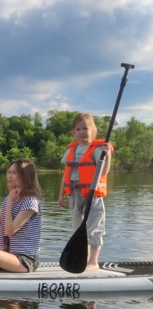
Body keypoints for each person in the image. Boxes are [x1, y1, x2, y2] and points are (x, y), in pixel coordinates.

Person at [58, 113, 113, 270]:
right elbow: (66, 174)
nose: (82, 132)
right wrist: (61, 194)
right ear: (73, 132)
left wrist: (107, 155)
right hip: (74, 195)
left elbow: (104, 172)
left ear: (92, 130)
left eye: (85, 128)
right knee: (77, 230)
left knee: (94, 228)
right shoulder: (70, 150)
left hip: (92, 194)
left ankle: (93, 262)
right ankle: (84, 260)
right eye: (78, 129)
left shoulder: (97, 149)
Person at [0, 158, 42, 273]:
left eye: (14, 173)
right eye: (9, 172)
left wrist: (10, 200)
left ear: (25, 176)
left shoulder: (30, 202)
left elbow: (9, 231)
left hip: (24, 260)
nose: (10, 176)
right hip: (8, 253)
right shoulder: (10, 199)